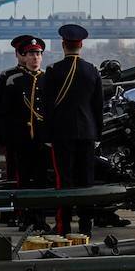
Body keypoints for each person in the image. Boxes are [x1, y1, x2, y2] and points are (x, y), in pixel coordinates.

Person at [42, 24, 103, 236]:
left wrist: (48, 134)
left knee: (64, 182)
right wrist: (98, 134)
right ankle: (86, 228)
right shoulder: (92, 70)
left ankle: (63, 227)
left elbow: (47, 106)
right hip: (87, 132)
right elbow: (98, 106)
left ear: (63, 45)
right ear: (82, 45)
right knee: (86, 181)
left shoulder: (52, 71)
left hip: (61, 133)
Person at [0, 36, 49, 230]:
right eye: (31, 54)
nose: (35, 57)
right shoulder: (14, 81)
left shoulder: (47, 80)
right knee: (24, 180)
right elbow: (5, 112)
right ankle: (26, 218)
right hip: (22, 139)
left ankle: (41, 219)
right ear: (24, 57)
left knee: (42, 181)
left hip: (42, 139)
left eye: (38, 54)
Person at [0, 37, 28, 181]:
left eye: (31, 53)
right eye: (24, 53)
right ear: (17, 54)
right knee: (14, 169)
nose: (27, 56)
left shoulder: (43, 76)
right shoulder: (7, 76)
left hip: (37, 131)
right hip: (14, 131)